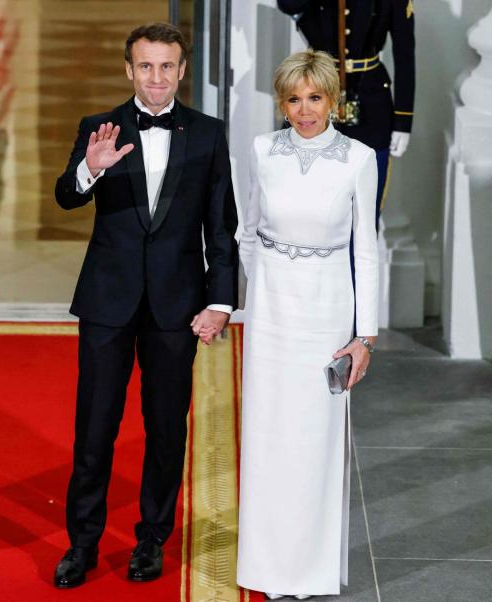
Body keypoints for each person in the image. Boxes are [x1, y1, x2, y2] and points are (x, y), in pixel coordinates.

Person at [52, 22, 238, 588]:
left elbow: (221, 227)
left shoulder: (208, 134)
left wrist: (222, 301)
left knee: (163, 430)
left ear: (182, 71)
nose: (156, 77)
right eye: (145, 66)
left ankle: (151, 540)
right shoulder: (98, 128)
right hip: (108, 301)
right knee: (94, 428)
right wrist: (92, 168)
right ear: (129, 70)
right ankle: (81, 544)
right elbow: (65, 195)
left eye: (167, 66)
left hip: (177, 305)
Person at [235, 50, 378, 600]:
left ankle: (308, 570)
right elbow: (247, 232)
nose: (304, 110)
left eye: (314, 97)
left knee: (314, 439)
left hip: (326, 311)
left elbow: (366, 251)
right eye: (293, 99)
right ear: (281, 102)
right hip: (273, 311)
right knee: (269, 434)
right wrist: (258, 292)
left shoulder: (359, 159)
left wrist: (363, 336)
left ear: (332, 100)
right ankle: (269, 568)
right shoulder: (261, 151)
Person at [278, 0, 415, 225]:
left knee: (363, 217)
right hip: (318, 98)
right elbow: (290, 4)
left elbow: (404, 54)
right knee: (310, 211)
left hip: (371, 106)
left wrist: (403, 120)